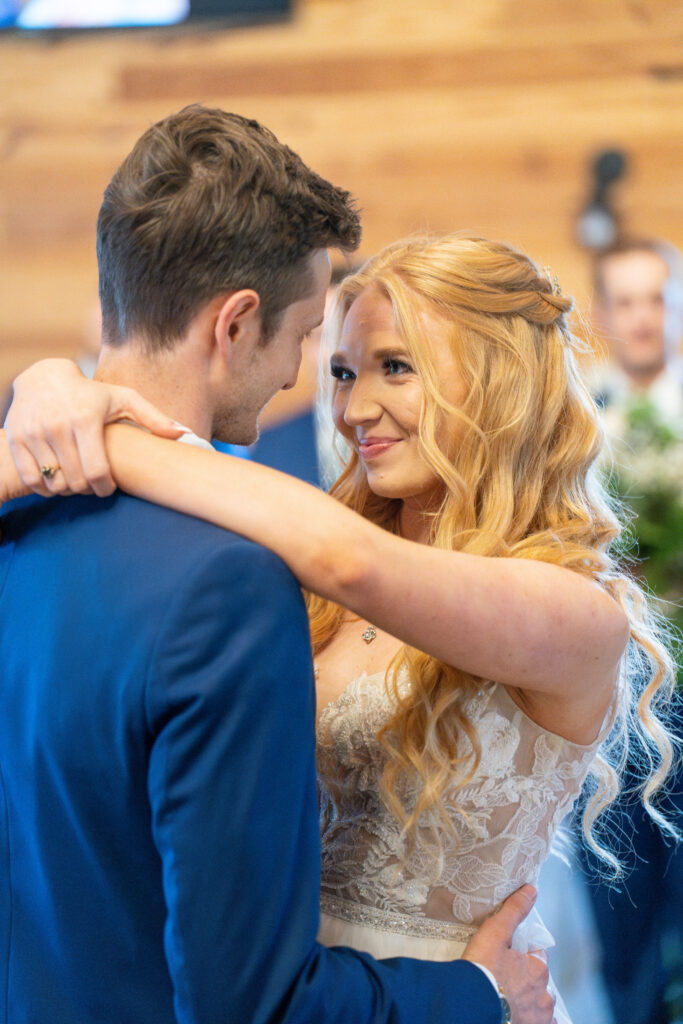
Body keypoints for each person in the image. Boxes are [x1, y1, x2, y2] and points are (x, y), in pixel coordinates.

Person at [6, 236, 681, 1021]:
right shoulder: (317, 585)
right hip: (299, 998)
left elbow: (349, 559)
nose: (354, 409)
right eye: (341, 371)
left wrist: (94, 422)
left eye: (395, 366)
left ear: (500, 378)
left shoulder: (574, 609)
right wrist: (50, 388)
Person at [591, 237, 683, 435]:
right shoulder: (580, 408)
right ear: (600, 314)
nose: (642, 318)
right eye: (625, 303)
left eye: (657, 300)